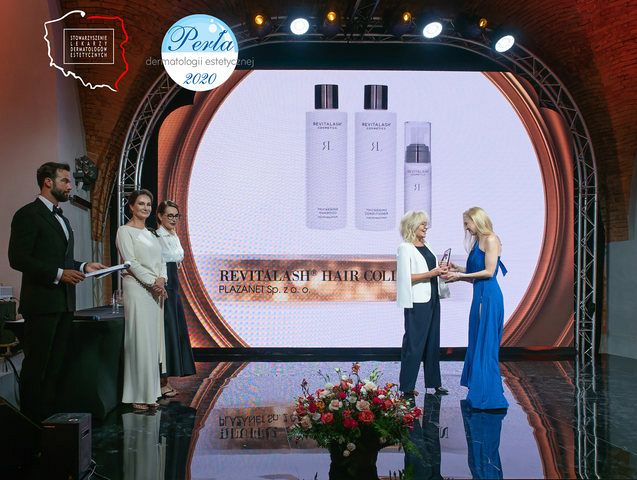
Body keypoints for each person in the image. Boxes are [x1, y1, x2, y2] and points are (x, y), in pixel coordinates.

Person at [8, 162, 106, 421]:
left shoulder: (62, 217)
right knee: (36, 368)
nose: (70, 186)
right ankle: (31, 424)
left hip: (64, 303)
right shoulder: (28, 214)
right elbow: (18, 258)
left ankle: (50, 422)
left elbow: (62, 260)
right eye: (65, 180)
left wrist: (83, 266)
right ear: (48, 182)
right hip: (41, 304)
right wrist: (60, 274)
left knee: (55, 368)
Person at [444, 207, 509, 410]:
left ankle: (487, 395)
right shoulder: (477, 242)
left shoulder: (491, 239)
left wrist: (460, 276)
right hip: (479, 296)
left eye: (467, 223)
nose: (466, 228)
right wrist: (459, 271)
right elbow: (475, 274)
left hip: (489, 297)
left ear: (477, 220)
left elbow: (489, 272)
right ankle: (479, 390)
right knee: (478, 341)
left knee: (485, 343)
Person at [116, 189, 167, 411]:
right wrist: (153, 283)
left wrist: (162, 280)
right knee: (139, 341)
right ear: (131, 206)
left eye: (148, 204)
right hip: (137, 288)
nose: (145, 207)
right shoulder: (124, 231)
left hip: (155, 292)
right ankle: (136, 393)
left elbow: (162, 261)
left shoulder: (152, 234)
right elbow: (131, 263)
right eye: (141, 203)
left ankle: (150, 392)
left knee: (151, 343)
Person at [396, 210, 449, 399]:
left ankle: (435, 383)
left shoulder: (427, 245)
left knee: (433, 341)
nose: (426, 227)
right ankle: (407, 386)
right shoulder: (405, 248)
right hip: (417, 301)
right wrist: (431, 273)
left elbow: (430, 269)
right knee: (414, 343)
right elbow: (405, 277)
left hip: (433, 297)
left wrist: (440, 270)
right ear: (412, 225)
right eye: (422, 224)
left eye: (426, 224)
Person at [155, 200, 195, 398]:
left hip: (174, 285)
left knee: (173, 330)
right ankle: (160, 382)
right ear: (160, 216)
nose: (173, 219)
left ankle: (165, 380)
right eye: (169, 215)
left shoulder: (173, 235)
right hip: (165, 285)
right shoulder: (157, 236)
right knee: (165, 332)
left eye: (176, 216)